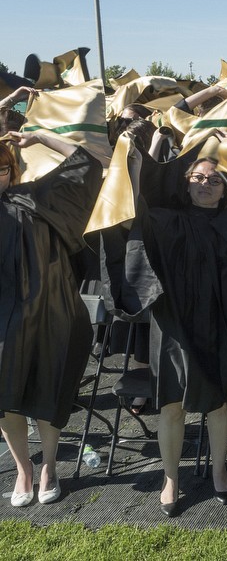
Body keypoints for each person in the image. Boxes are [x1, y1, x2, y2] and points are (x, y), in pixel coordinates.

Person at [98, 140, 227, 517]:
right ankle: (171, 477)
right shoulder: (167, 220)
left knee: (219, 404)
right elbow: (130, 214)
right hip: (173, 324)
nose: (204, 184)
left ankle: (219, 468)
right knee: (171, 404)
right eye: (197, 177)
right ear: (186, 182)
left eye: (214, 181)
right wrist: (133, 168)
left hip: (221, 324)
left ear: (225, 189)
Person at [0, 131, 102, 507]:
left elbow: (86, 163)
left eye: (2, 169)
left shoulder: (37, 196)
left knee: (49, 388)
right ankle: (23, 468)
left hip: (50, 312)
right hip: (1, 324)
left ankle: (48, 466)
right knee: (4, 399)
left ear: (12, 170)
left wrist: (41, 136)